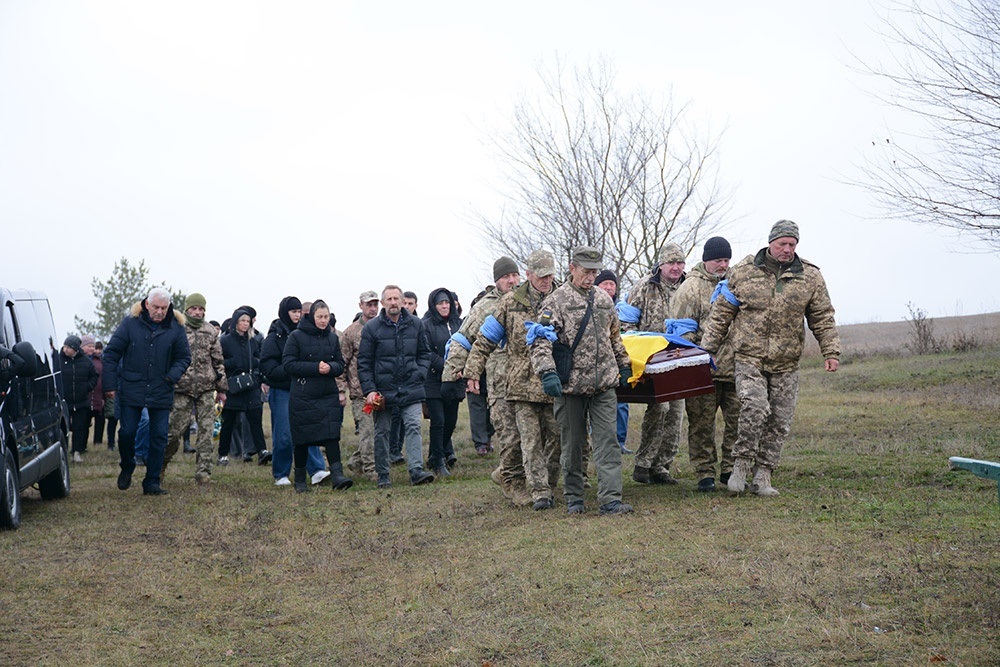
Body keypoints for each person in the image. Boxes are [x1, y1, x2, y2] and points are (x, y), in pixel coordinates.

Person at [701, 220, 840, 496]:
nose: (787, 249)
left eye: (792, 244)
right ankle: (740, 466)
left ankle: (763, 475)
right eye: (782, 244)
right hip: (749, 358)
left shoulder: (810, 277)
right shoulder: (743, 272)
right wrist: (707, 350)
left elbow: (822, 316)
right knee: (754, 408)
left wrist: (831, 351)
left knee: (779, 420)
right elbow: (721, 315)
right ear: (770, 243)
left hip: (786, 362)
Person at [530, 247, 634, 515]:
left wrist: (623, 366)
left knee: (608, 442)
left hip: (603, 385)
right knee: (573, 444)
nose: (591, 278)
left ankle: (610, 499)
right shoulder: (555, 302)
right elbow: (540, 341)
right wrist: (547, 372)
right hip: (571, 387)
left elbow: (614, 337)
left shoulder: (604, 299)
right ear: (572, 267)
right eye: (586, 272)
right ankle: (574, 496)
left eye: (595, 272)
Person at [467, 250, 560, 511]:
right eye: (540, 276)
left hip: (554, 382)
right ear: (529, 275)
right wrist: (473, 371)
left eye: (550, 275)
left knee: (557, 438)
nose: (545, 280)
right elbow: (485, 340)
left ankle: (550, 483)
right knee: (528, 440)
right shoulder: (510, 303)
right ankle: (539, 491)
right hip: (521, 384)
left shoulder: (562, 297)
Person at [442, 256, 530, 505]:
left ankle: (506, 474)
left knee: (531, 436)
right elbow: (462, 339)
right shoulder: (485, 307)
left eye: (514, 276)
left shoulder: (528, 300)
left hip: (527, 382)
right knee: (510, 437)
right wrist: (451, 377)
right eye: (506, 277)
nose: (511, 281)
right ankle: (513, 484)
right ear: (496, 281)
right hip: (500, 384)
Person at [102, 288, 191, 495]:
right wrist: (109, 385)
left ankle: (151, 482)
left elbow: (184, 357)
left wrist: (171, 376)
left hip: (161, 387)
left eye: (164, 308)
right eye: (156, 307)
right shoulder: (129, 323)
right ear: (147, 305)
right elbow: (112, 353)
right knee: (127, 432)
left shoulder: (176, 328)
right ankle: (127, 464)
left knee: (159, 436)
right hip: (131, 387)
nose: (159, 312)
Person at [668, 237, 740, 492]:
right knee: (701, 424)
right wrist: (692, 363)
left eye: (726, 260)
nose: (723, 265)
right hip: (702, 370)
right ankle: (704, 473)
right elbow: (681, 331)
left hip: (735, 368)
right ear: (706, 260)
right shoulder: (690, 288)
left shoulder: (736, 283)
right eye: (718, 260)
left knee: (737, 422)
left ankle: (731, 469)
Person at [357, 285, 435, 488]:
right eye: (389, 299)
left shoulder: (416, 325)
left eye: (396, 298)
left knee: (413, 425)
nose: (393, 302)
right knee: (382, 431)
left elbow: (425, 354)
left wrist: (419, 373)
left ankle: (416, 470)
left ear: (402, 301)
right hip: (383, 390)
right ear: (383, 303)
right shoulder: (371, 328)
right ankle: (383, 473)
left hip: (411, 386)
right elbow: (364, 362)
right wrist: (370, 390)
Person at [626, 243, 687, 485]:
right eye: (671, 262)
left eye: (679, 262)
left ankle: (662, 466)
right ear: (661, 264)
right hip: (651, 359)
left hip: (681, 358)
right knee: (658, 409)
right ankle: (643, 463)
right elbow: (627, 322)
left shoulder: (689, 286)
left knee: (676, 413)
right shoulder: (643, 286)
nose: (675, 267)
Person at [282, 299, 352, 493]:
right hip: (303, 395)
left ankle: (337, 475)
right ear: (312, 317)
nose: (323, 320)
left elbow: (340, 363)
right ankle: (300, 480)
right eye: (319, 317)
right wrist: (315, 368)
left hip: (327, 394)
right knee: (303, 438)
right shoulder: (296, 336)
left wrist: (330, 368)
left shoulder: (332, 338)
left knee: (331, 435)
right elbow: (288, 364)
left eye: (326, 317)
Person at [261, 296, 330, 487]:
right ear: (285, 312)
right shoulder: (274, 337)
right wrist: (291, 369)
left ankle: (316, 470)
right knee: (284, 433)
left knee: (309, 430)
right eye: (293, 311)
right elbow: (267, 366)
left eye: (299, 311)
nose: (297, 315)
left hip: (304, 389)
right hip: (282, 390)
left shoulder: (304, 334)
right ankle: (281, 473)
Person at [163, 293, 227, 485]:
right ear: (187, 309)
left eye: (201, 309)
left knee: (206, 433)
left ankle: (203, 474)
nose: (197, 312)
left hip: (206, 389)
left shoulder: (211, 331)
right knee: (173, 433)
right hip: (181, 388)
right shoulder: (176, 328)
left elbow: (218, 361)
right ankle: (159, 467)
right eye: (194, 308)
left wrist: (222, 388)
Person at [218, 307, 271, 466]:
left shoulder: (253, 341)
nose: (245, 324)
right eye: (242, 320)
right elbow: (219, 362)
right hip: (233, 386)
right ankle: (222, 455)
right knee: (229, 422)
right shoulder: (225, 341)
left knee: (255, 420)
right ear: (235, 322)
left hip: (251, 385)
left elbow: (259, 359)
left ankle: (262, 451)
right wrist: (232, 363)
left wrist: (257, 374)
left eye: (248, 321)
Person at [421, 288, 465, 478]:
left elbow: (467, 344)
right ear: (433, 305)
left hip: (455, 380)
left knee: (451, 422)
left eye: (447, 302)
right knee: (438, 421)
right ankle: (438, 461)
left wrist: (460, 368)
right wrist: (447, 367)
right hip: (434, 381)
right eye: (440, 303)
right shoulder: (426, 325)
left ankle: (434, 454)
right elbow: (427, 352)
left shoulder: (459, 323)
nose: (444, 306)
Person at [340, 290, 380, 482]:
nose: (373, 308)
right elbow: (342, 363)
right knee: (367, 431)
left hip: (381, 389)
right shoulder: (351, 332)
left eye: (375, 304)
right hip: (360, 393)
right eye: (369, 305)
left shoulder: (383, 326)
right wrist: (341, 389)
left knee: (377, 431)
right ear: (361, 306)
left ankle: (356, 461)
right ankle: (371, 470)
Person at [595, 269, 633, 456]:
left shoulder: (623, 309)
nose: (609, 288)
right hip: (597, 366)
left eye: (612, 284)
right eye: (605, 284)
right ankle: (599, 443)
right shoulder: (591, 306)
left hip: (619, 362)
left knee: (621, 404)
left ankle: (620, 441)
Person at [57, 335, 98, 463]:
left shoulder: (86, 362)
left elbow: (94, 376)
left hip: (81, 401)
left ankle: (76, 452)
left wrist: (87, 387)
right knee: (64, 427)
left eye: (68, 347)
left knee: (80, 428)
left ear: (75, 349)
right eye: (64, 346)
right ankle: (62, 452)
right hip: (64, 401)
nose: (65, 349)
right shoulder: (58, 361)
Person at [81, 335, 107, 448]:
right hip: (85, 396)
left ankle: (98, 442)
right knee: (84, 422)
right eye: (89, 346)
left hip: (99, 394)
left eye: (93, 346)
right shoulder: (80, 361)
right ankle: (82, 445)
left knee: (100, 419)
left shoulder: (100, 361)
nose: (92, 349)